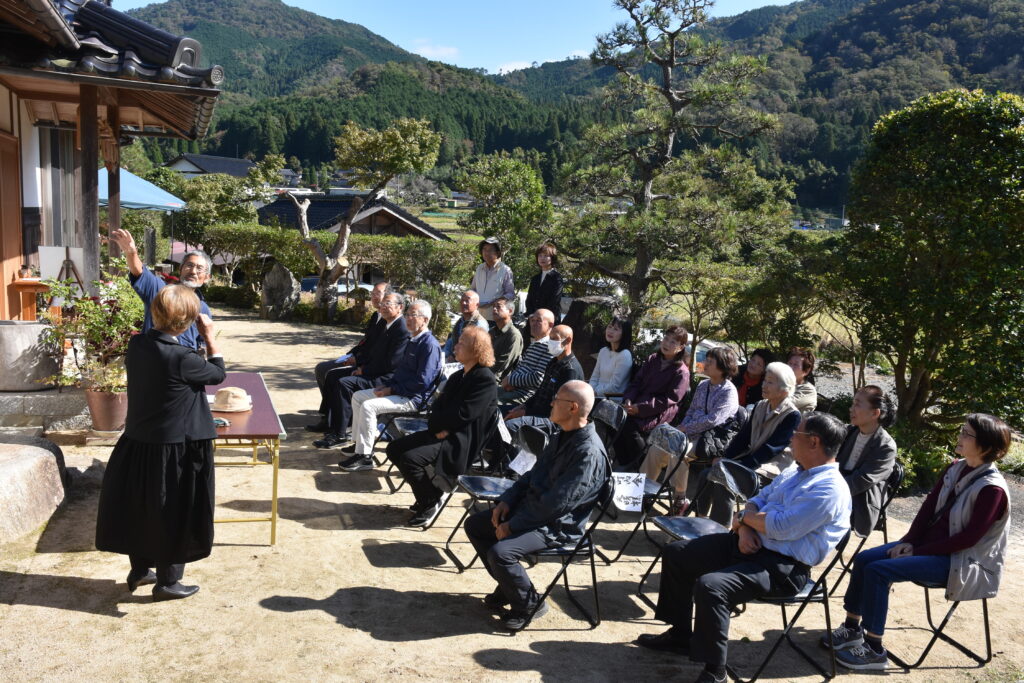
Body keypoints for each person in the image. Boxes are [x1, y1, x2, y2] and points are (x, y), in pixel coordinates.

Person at [636, 412, 851, 683]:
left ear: (813, 442)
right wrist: (745, 527)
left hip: (782, 567)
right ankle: (680, 635)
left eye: (796, 434)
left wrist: (742, 520)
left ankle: (715, 672)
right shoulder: (795, 471)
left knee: (712, 586)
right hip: (750, 541)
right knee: (678, 553)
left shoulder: (830, 488)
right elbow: (757, 500)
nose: (791, 441)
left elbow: (782, 526)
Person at [822, 413, 1011, 670]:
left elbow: (968, 539)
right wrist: (910, 541)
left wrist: (917, 550)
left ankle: (875, 649)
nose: (960, 436)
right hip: (926, 549)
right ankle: (852, 627)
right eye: (962, 430)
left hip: (961, 562)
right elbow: (927, 509)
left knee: (879, 571)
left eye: (967, 434)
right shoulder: (955, 467)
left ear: (987, 446)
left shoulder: (992, 489)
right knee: (865, 558)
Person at [95, 285, 226, 602]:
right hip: (173, 449)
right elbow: (218, 374)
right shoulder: (182, 358)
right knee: (173, 511)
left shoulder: (138, 345)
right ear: (186, 323)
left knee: (143, 507)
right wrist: (209, 337)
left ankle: (140, 569)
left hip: (138, 442)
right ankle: (168, 582)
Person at [465, 380, 609, 631]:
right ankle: (511, 589)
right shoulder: (562, 434)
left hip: (558, 526)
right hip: (534, 511)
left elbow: (557, 505)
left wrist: (514, 525)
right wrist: (507, 501)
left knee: (502, 553)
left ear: (573, 407)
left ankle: (529, 604)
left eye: (557, 400)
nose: (551, 403)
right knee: (477, 525)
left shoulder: (587, 453)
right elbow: (532, 475)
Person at [386, 326, 498, 527]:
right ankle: (431, 493)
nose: (455, 346)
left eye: (462, 343)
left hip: (460, 441)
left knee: (411, 459)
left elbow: (465, 414)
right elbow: (439, 405)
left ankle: (429, 502)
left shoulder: (485, 379)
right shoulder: (458, 375)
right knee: (394, 448)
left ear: (476, 348)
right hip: (441, 431)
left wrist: (444, 428)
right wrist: (438, 426)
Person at [336, 299, 443, 472]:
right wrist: (387, 386)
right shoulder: (413, 339)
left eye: (413, 315)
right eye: (407, 314)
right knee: (358, 396)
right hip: (399, 390)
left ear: (425, 320)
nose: (408, 318)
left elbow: (422, 382)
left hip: (413, 398)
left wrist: (391, 389)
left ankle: (365, 457)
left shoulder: (429, 345)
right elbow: (401, 372)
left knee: (369, 406)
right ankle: (358, 446)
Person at [694, 362, 801, 526]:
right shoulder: (760, 406)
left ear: (785, 389)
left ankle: (719, 532)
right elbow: (742, 438)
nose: (764, 385)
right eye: (765, 380)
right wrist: (725, 458)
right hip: (749, 462)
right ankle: (700, 521)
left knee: (725, 481)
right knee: (706, 474)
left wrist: (736, 466)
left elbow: (771, 450)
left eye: (770, 382)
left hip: (770, 470)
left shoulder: (792, 415)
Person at [639, 346, 739, 515]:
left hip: (710, 440)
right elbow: (691, 411)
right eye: (706, 360)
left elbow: (714, 420)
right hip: (690, 433)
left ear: (722, 367)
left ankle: (680, 499)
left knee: (678, 451)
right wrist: (681, 430)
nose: (705, 364)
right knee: (657, 448)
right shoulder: (703, 385)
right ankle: (642, 491)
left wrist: (686, 429)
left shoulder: (729, 391)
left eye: (710, 361)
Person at [314, 292, 409, 449]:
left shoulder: (401, 329)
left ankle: (340, 434)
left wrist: (363, 370)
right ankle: (331, 425)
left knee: (344, 384)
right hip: (372, 370)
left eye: (388, 304)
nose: (383, 307)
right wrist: (359, 365)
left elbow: (391, 363)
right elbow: (372, 351)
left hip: (386, 378)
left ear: (400, 307)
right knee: (332, 376)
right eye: (383, 304)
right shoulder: (386, 324)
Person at [108, 228, 212, 350]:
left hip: (184, 366)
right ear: (181, 269)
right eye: (189, 265)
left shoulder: (203, 308)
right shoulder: (161, 291)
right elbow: (139, 272)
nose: (193, 271)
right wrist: (131, 252)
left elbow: (202, 342)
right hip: (153, 363)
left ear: (207, 277)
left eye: (199, 268)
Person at [308, 281, 392, 432]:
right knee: (321, 369)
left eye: (377, 294)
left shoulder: (389, 322)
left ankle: (337, 421)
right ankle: (327, 416)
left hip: (368, 365)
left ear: (388, 297)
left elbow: (376, 352)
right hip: (358, 358)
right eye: (372, 294)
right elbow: (365, 342)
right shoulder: (376, 316)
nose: (373, 297)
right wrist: (349, 355)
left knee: (330, 373)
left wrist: (357, 361)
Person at [612, 326, 691, 468]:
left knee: (630, 426)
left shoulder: (682, 372)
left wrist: (640, 408)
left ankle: (639, 465)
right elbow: (636, 383)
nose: (667, 343)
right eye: (666, 339)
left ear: (681, 347)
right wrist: (629, 399)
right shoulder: (652, 359)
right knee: (616, 420)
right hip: (637, 403)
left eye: (673, 342)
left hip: (659, 411)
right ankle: (625, 464)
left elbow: (669, 400)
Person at [837, 385, 897, 538]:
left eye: (857, 404)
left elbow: (863, 480)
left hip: (860, 502)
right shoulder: (849, 432)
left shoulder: (886, 446)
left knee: (814, 506)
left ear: (875, 413)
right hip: (838, 488)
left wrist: (830, 491)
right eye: (853, 403)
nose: (851, 409)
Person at [504, 324, 584, 422]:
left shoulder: (570, 370)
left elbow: (559, 407)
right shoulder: (553, 362)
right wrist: (524, 406)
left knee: (510, 425)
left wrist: (526, 413)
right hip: (535, 411)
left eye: (555, 339)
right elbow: (540, 392)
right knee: (500, 413)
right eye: (550, 338)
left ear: (568, 340)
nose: (551, 342)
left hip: (551, 418)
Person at [498, 309, 556, 405]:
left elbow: (538, 378)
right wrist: (510, 383)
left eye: (538, 321)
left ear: (550, 325)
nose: (533, 324)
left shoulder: (549, 347)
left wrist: (511, 380)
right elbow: (522, 368)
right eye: (532, 320)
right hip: (513, 389)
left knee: (487, 402)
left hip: (524, 395)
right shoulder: (535, 343)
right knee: (482, 392)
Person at [469, 237, 514, 322]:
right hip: (478, 316)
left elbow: (510, 294)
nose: (486, 252)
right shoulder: (479, 268)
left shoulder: (505, 270)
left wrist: (498, 301)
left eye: (490, 250)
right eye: (484, 249)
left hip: (495, 317)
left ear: (497, 253)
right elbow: (473, 289)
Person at [588, 316, 633, 398]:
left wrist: (595, 393)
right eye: (609, 327)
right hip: (595, 395)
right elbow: (595, 377)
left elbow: (614, 387)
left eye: (616, 329)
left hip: (612, 399)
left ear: (624, 334)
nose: (610, 331)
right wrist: (590, 390)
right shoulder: (603, 351)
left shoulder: (625, 355)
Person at [524, 241, 564, 324]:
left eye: (546, 256)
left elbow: (554, 301)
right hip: (533, 319)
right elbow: (529, 299)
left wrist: (540, 315)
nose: (542, 258)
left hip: (549, 320)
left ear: (552, 258)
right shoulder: (535, 278)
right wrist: (531, 314)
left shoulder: (557, 278)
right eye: (540, 255)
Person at [444, 290, 489, 362]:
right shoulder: (460, 321)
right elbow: (452, 340)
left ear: (477, 305)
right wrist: (446, 355)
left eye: (467, 301)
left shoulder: (480, 324)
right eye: (462, 300)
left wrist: (455, 357)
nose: (463, 303)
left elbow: (475, 350)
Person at [489, 297, 523, 383]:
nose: (494, 309)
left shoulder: (513, 335)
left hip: (494, 381)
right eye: (493, 306)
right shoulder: (492, 331)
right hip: (483, 373)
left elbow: (501, 366)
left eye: (498, 306)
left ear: (510, 311)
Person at [787, 346, 818, 414]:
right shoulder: (784, 384)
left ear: (806, 371)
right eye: (790, 363)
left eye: (795, 365)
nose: (790, 367)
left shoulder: (808, 390)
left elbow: (782, 405)